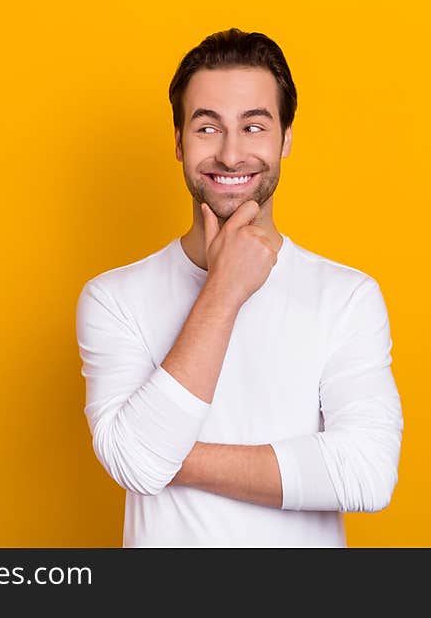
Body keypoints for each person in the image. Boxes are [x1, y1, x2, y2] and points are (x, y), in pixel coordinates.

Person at [75, 28, 404, 547]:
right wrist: (225, 287)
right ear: (179, 141)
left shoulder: (347, 297)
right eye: (208, 128)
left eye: (254, 126)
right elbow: (136, 465)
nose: (231, 155)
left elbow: (366, 472)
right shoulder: (113, 299)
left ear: (285, 138)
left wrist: (166, 458)